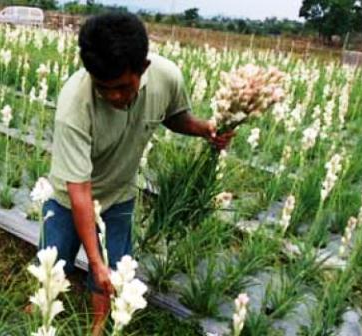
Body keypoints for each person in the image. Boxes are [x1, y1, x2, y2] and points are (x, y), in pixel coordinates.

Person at [40, 12, 233, 336]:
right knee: (51, 270)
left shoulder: (166, 77)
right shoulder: (74, 105)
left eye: (123, 87)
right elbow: (80, 191)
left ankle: (99, 328)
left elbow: (174, 117)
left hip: (120, 196)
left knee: (112, 274)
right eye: (104, 88)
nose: (114, 96)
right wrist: (94, 258)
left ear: (142, 68)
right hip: (68, 199)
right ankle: (38, 317)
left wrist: (205, 130)